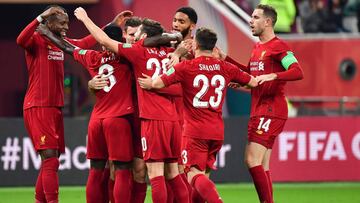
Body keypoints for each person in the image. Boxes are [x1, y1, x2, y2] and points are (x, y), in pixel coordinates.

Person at [73, 7, 189, 203]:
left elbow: (99, 42)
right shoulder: (166, 53)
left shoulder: (136, 52)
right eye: (130, 34)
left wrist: (85, 19)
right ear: (124, 34)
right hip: (138, 116)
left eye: (138, 34)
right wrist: (93, 85)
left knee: (147, 171)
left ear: (142, 35)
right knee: (145, 171)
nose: (134, 38)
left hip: (148, 117)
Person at [138, 27, 258, 203]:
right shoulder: (226, 67)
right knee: (203, 177)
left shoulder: (186, 66)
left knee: (192, 174)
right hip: (217, 131)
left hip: (195, 131)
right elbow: (253, 81)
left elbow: (157, 82)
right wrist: (235, 82)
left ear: (195, 44)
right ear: (214, 46)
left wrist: (150, 82)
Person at [16, 5, 100, 203]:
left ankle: (39, 200)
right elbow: (20, 39)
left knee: (51, 161)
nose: (66, 27)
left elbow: (84, 43)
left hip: (55, 107)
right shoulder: (36, 40)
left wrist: (111, 27)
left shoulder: (61, 42)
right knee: (50, 158)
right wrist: (39, 18)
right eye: (62, 23)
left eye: (67, 23)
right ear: (50, 22)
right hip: (38, 105)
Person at [225, 4, 304, 203]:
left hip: (271, 109)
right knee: (263, 164)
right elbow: (252, 75)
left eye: (255, 17)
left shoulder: (279, 46)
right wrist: (225, 59)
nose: (251, 21)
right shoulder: (258, 47)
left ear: (268, 22)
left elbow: (297, 71)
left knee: (251, 160)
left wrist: (273, 75)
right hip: (259, 108)